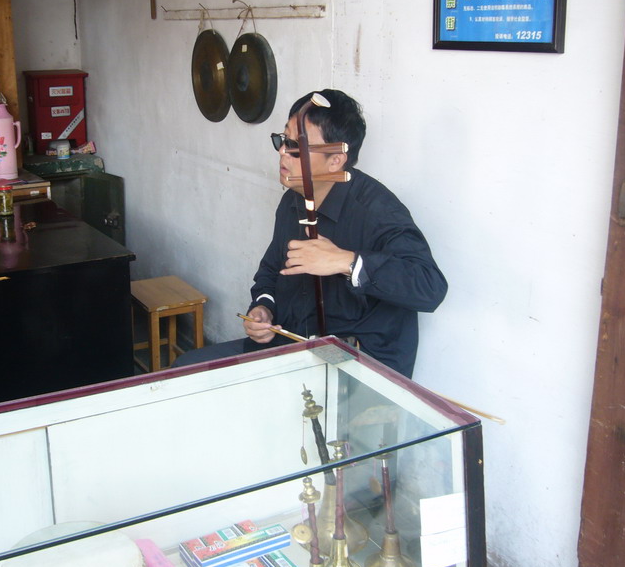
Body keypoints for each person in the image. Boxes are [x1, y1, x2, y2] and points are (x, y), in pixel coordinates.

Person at [179, 89, 447, 377]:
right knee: (184, 372)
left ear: (335, 160)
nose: (283, 152)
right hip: (292, 348)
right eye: (283, 140)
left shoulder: (378, 211)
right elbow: (272, 270)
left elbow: (430, 288)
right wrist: (263, 309)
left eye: (296, 146)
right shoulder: (293, 199)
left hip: (354, 368)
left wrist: (348, 262)